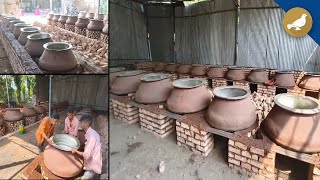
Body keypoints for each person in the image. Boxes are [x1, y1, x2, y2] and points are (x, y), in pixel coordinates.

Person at [72, 115, 102, 179]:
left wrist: (76, 151)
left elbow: (87, 155)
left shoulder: (91, 137)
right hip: (93, 161)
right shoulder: (92, 132)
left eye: (82, 123)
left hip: (93, 166)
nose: (81, 124)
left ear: (86, 124)